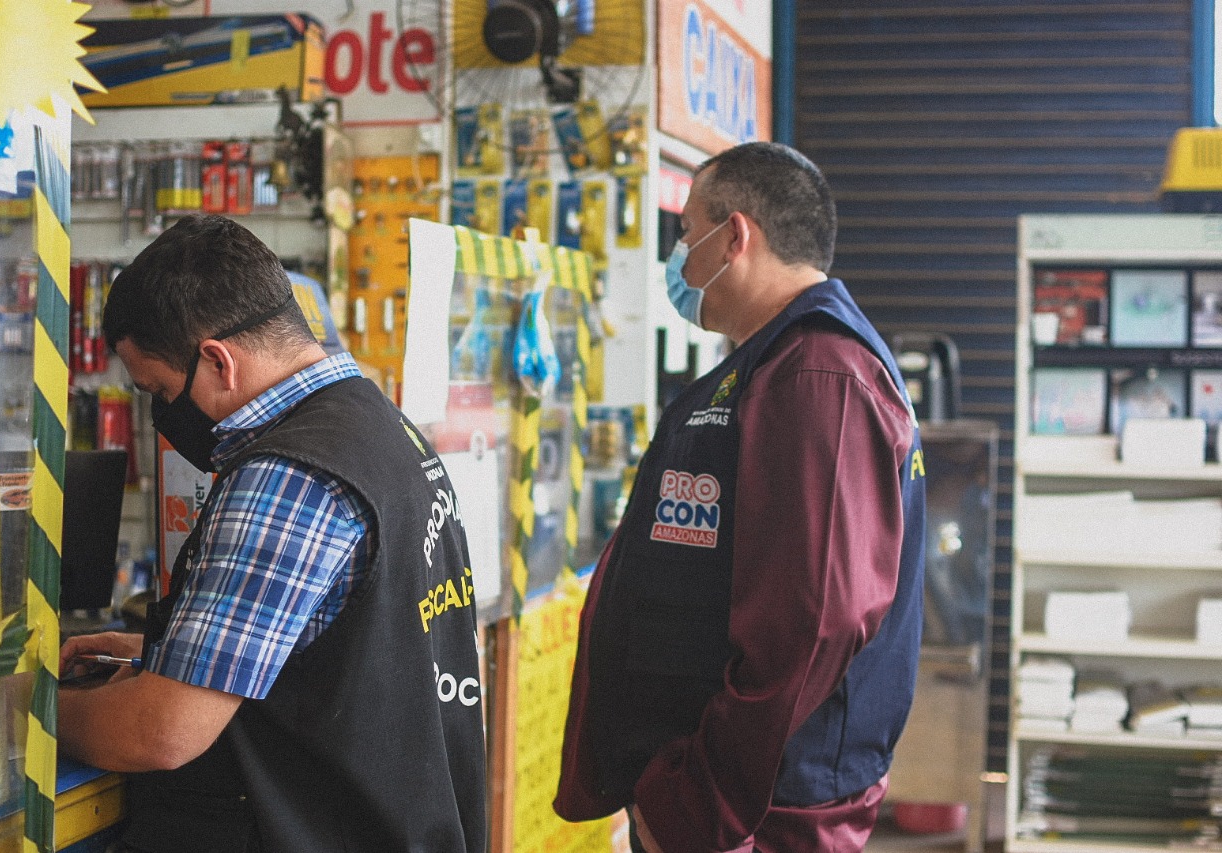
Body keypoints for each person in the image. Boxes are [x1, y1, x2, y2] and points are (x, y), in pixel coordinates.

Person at [58, 214, 487, 852]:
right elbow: (356, 642)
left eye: (161, 390)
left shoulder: (287, 476)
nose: (163, 413)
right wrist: (168, 650)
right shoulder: (380, 428)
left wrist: (27, 711)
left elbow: (162, 732)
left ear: (217, 361)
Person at [554, 142, 926, 852]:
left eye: (686, 231)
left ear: (735, 237)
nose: (678, 256)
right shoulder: (776, 363)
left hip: (759, 810)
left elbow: (814, 622)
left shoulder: (819, 374)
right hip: (735, 798)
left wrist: (698, 803)